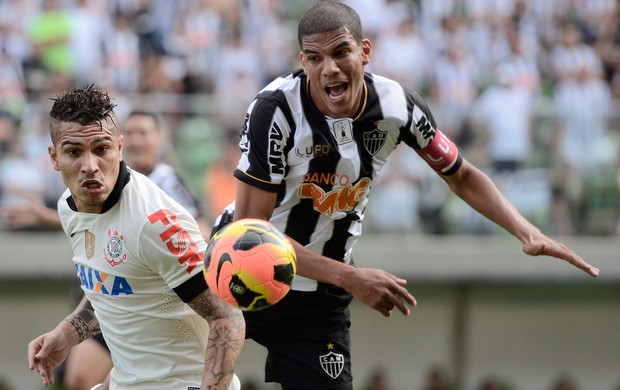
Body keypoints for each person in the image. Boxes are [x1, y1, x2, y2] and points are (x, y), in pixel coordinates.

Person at [213, 2, 599, 389]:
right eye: (315, 58)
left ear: (365, 51)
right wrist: (351, 277)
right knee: (188, 379)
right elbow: (251, 232)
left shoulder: (397, 106)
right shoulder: (275, 110)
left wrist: (526, 231)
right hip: (236, 272)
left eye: (340, 52)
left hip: (318, 298)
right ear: (303, 60)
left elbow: (460, 174)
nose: (328, 68)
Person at [27, 85, 244, 390]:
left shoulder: (154, 222)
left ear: (119, 147)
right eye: (74, 151)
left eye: (101, 149)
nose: (90, 166)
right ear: (54, 156)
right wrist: (66, 333)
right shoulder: (68, 207)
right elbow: (112, 287)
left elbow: (227, 317)